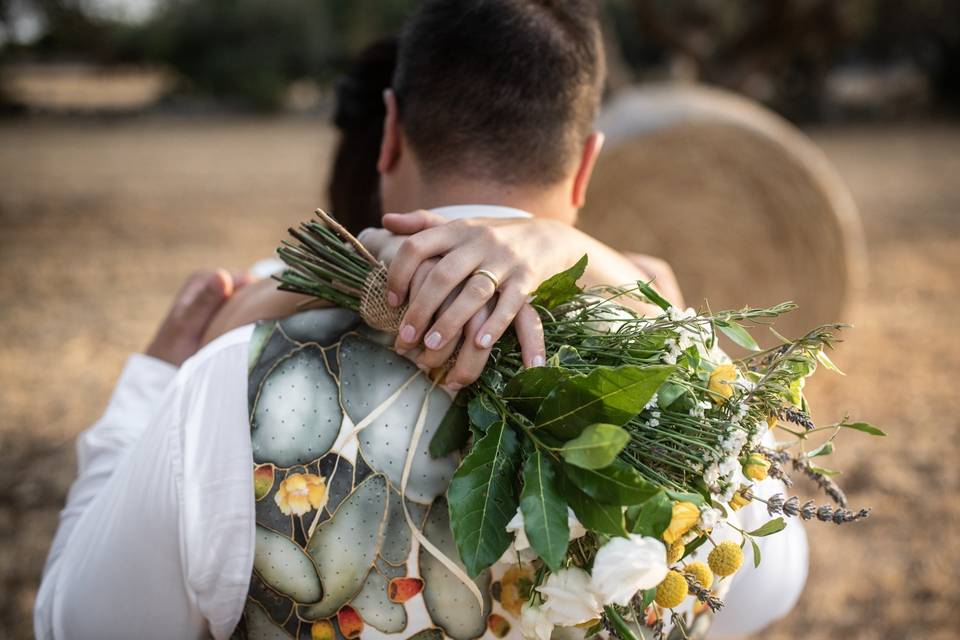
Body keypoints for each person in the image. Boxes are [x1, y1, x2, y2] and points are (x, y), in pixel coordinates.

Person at [35, 2, 806, 639]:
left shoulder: (230, 375)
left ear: (391, 130)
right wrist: (639, 288)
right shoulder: (686, 376)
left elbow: (81, 622)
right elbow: (764, 588)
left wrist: (151, 384)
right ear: (588, 162)